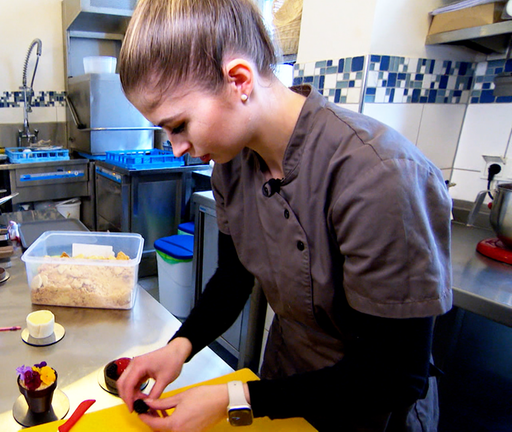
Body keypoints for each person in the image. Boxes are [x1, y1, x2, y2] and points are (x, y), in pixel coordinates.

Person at [115, 1, 452, 431]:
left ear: (238, 80)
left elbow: (394, 376)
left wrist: (235, 397)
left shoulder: (380, 177)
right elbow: (234, 276)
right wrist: (180, 345)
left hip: (370, 410)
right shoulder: (232, 165)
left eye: (178, 125)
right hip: (284, 385)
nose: (175, 147)